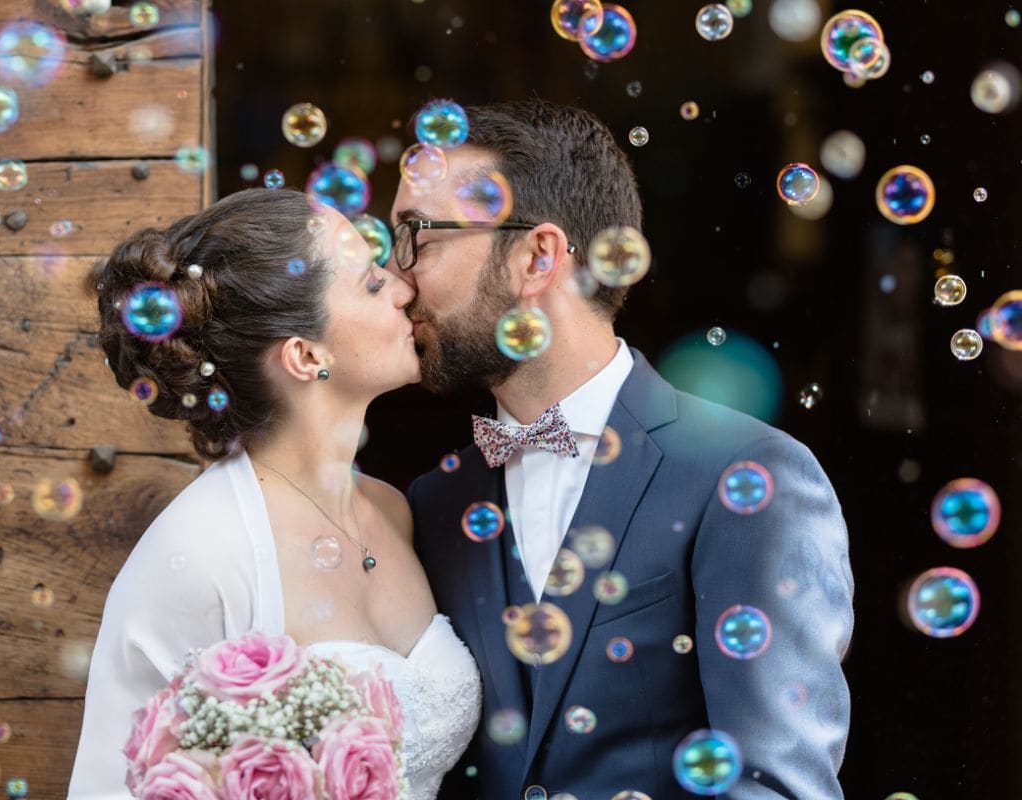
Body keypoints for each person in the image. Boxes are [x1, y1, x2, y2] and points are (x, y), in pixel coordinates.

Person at [390, 99, 855, 799]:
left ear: (536, 257)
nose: (396, 277)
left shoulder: (746, 474)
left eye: (417, 236)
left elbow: (775, 786)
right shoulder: (434, 501)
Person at [67, 188, 482, 798]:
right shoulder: (202, 553)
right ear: (306, 355)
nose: (402, 288)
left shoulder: (394, 511)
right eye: (371, 284)